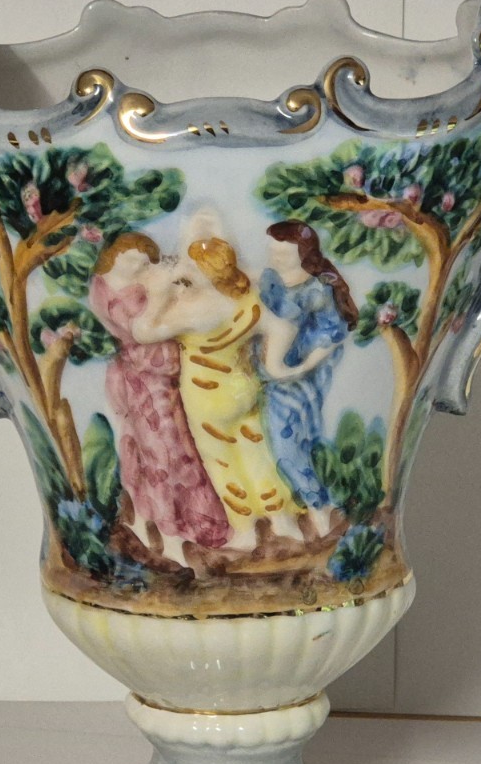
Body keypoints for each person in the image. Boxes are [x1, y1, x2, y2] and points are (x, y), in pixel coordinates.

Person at [135, 215, 320, 552]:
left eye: (192, 268)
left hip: (207, 399)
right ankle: (282, 520)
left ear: (204, 275)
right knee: (257, 453)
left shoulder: (193, 311)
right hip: (243, 387)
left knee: (222, 461)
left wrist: (158, 296)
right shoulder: (246, 298)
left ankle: (245, 528)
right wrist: (275, 366)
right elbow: (283, 327)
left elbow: (143, 332)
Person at [88, 232, 228, 563]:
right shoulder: (105, 289)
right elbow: (143, 331)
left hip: (160, 376)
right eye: (133, 259)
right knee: (159, 451)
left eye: (143, 261)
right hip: (143, 380)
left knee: (176, 446)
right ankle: (167, 526)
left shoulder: (140, 280)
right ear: (115, 256)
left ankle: (185, 523)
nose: (140, 267)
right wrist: (165, 294)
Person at [257, 221, 358, 534]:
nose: (275, 257)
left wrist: (299, 369)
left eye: (283, 254)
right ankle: (301, 507)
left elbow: (332, 335)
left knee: (288, 445)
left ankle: (318, 506)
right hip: (268, 376)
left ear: (303, 254)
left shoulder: (318, 289)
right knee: (272, 443)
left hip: (297, 380)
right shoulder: (270, 278)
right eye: (273, 251)